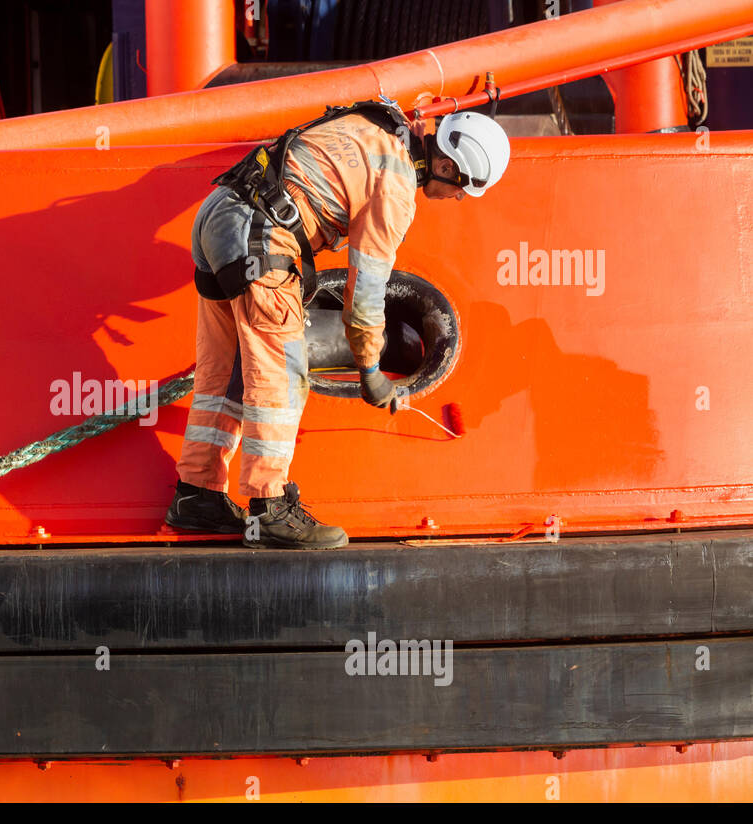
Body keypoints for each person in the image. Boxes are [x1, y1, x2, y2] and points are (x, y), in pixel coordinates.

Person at [166, 99, 510, 549]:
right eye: (462, 187)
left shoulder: (376, 124)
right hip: (262, 239)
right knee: (283, 374)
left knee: (226, 371)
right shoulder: (396, 187)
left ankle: (197, 496)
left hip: (220, 215)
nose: (459, 197)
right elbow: (365, 296)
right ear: (445, 165)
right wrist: (370, 373)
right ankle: (268, 508)